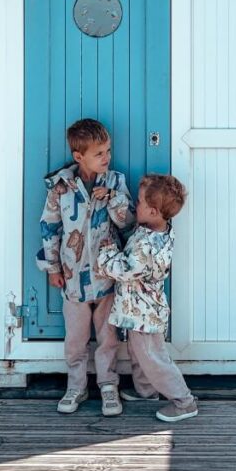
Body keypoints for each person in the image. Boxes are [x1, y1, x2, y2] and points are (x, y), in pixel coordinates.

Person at [36, 118, 134, 416]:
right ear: (79, 156)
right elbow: (50, 227)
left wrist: (114, 199)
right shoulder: (61, 187)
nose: (106, 157)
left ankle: (108, 385)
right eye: (99, 153)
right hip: (73, 278)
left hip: (106, 278)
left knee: (108, 337)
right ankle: (76, 386)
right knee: (76, 340)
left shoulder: (115, 181)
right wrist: (52, 267)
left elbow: (128, 223)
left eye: (108, 150)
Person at [97, 174, 198, 423]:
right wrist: (114, 201)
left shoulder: (147, 246)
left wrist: (107, 254)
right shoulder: (158, 231)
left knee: (153, 359)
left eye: (140, 202)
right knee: (140, 354)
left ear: (153, 211)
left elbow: (126, 270)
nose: (136, 206)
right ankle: (146, 392)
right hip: (141, 311)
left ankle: (184, 401)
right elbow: (131, 224)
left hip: (143, 314)